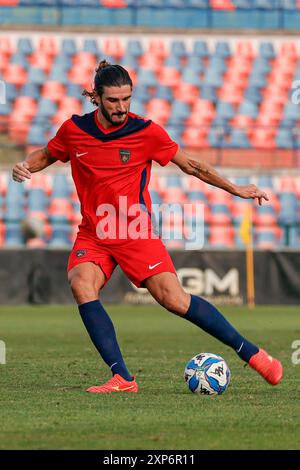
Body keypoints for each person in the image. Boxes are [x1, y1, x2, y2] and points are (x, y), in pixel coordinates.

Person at [12, 60, 283, 393]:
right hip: (95, 232)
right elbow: (49, 153)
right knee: (81, 283)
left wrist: (236, 189)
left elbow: (193, 166)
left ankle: (253, 354)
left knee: (174, 300)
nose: (122, 107)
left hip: (134, 231)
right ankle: (123, 378)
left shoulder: (146, 132)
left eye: (127, 99)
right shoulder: (74, 130)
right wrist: (26, 165)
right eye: (113, 100)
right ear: (96, 97)